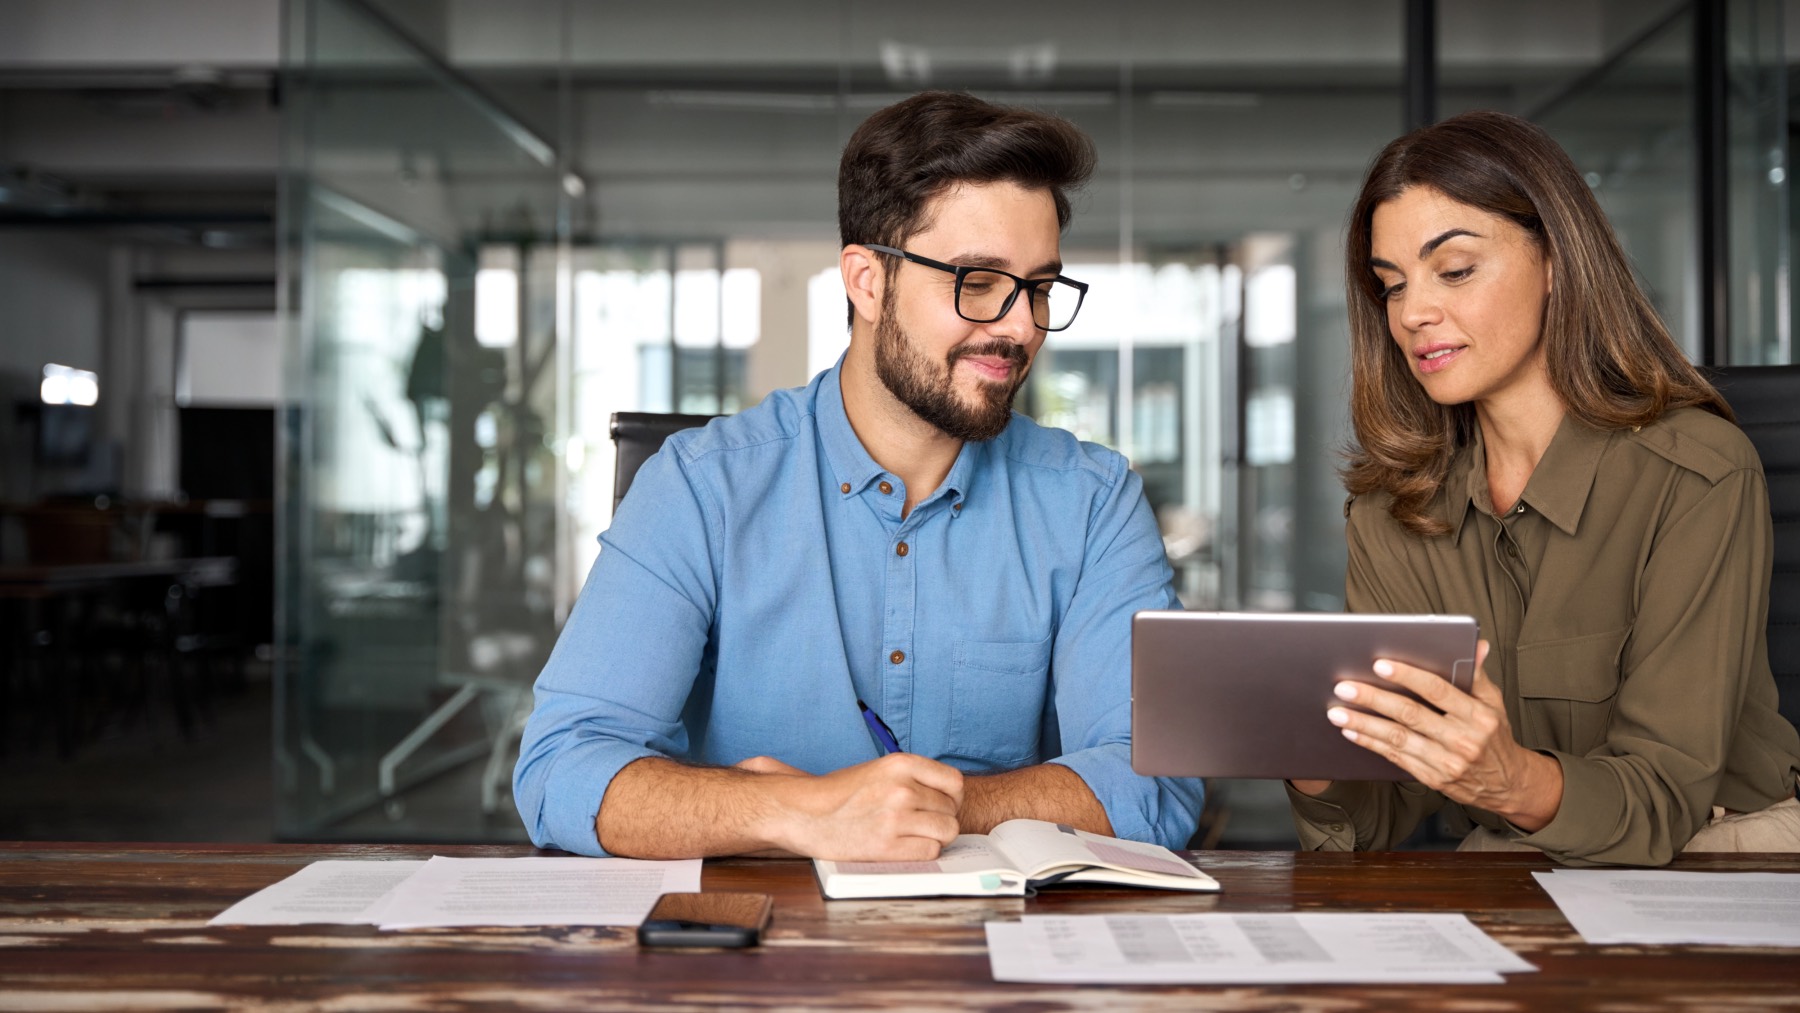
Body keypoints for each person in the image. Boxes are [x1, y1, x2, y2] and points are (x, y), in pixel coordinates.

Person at [514, 91, 1204, 861]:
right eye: (978, 281)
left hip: (1003, 956)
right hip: (752, 960)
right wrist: (803, 811)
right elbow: (562, 770)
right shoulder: (699, 487)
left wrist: (921, 808)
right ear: (867, 281)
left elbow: (1156, 782)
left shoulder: (1091, 501)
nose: (1021, 326)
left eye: (1039, 287)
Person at [1287, 110, 1800, 866]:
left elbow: (1664, 798)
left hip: (1723, 851)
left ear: (1557, 260)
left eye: (1454, 269)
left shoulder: (1698, 473)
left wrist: (1508, 780)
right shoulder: (1394, 510)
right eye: (1390, 285)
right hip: (1518, 855)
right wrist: (1311, 749)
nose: (1413, 313)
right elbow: (1378, 816)